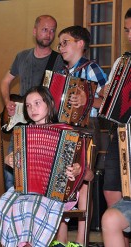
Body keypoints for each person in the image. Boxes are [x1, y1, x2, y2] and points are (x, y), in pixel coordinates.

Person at [0, 86, 85, 247]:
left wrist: (77, 169)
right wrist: (9, 160)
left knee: (29, 207)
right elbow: (16, 163)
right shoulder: (22, 133)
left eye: (37, 103)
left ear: (50, 104)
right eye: (28, 105)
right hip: (27, 188)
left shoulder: (66, 132)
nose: (32, 109)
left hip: (55, 192)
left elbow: (83, 169)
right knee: (3, 207)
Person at [49, 25, 107, 247]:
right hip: (63, 129)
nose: (61, 47)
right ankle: (61, 240)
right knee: (61, 181)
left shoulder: (91, 68)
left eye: (65, 42)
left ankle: (81, 239)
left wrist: (87, 100)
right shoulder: (61, 74)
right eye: (60, 43)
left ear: (80, 44)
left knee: (84, 181)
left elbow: (108, 99)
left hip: (87, 129)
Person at [0, 15, 65, 192]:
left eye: (52, 30)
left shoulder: (59, 60)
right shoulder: (21, 57)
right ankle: (12, 204)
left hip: (45, 124)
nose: (49, 34)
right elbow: (5, 81)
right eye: (45, 29)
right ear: (35, 31)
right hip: (21, 122)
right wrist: (8, 102)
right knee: (11, 167)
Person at [101, 8, 131, 247]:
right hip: (119, 135)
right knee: (111, 192)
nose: (130, 36)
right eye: (127, 31)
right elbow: (109, 103)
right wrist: (94, 98)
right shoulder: (122, 63)